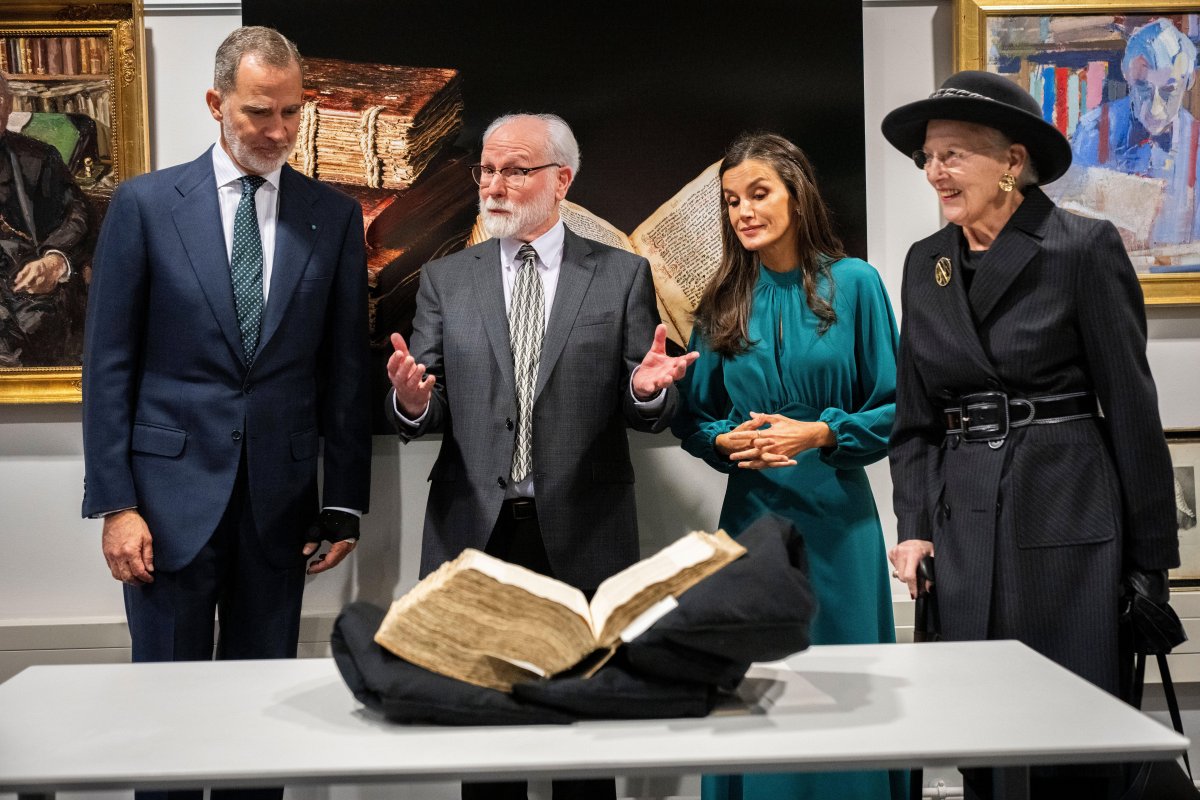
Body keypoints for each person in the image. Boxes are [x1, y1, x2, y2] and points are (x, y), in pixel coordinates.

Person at [81, 26, 372, 800]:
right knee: (167, 725)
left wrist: (342, 502)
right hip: (163, 512)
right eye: (257, 113)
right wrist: (115, 503)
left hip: (279, 512)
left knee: (257, 719)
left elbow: (345, 371)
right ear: (216, 104)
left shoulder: (333, 217)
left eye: (291, 113)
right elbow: (107, 366)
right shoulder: (145, 206)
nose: (277, 131)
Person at [882, 70, 1180, 799]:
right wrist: (915, 525)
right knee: (981, 736)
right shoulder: (927, 263)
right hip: (963, 525)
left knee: (1071, 744)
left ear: (1012, 162)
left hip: (1067, 515)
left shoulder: (1081, 248)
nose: (934, 172)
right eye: (928, 156)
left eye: (952, 154)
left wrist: (1151, 565)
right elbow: (916, 417)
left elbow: (1133, 412)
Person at [386, 112, 696, 800]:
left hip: (585, 534)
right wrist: (410, 398)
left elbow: (647, 408)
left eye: (515, 170)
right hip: (474, 536)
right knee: (486, 749)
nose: (495, 184)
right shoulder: (446, 282)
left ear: (562, 180)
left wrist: (645, 392)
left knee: (583, 747)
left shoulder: (621, 277)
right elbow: (424, 410)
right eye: (487, 170)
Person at [671, 131, 904, 800]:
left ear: (797, 196)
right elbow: (694, 418)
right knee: (755, 692)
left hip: (837, 521)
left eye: (758, 193)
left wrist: (820, 432)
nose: (743, 211)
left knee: (844, 694)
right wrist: (724, 443)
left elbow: (892, 409)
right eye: (732, 201)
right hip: (751, 522)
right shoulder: (720, 300)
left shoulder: (856, 284)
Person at [1053, 18, 1200, 250]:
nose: (1155, 109)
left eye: (1169, 90)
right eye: (1142, 87)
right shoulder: (1093, 129)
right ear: (1126, 75)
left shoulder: (1198, 143)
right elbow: (1067, 223)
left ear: (1190, 80)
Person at [0, 71, 90, 366]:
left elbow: (78, 217)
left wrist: (54, 261)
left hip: (26, 288)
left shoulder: (38, 158)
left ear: (9, 104)